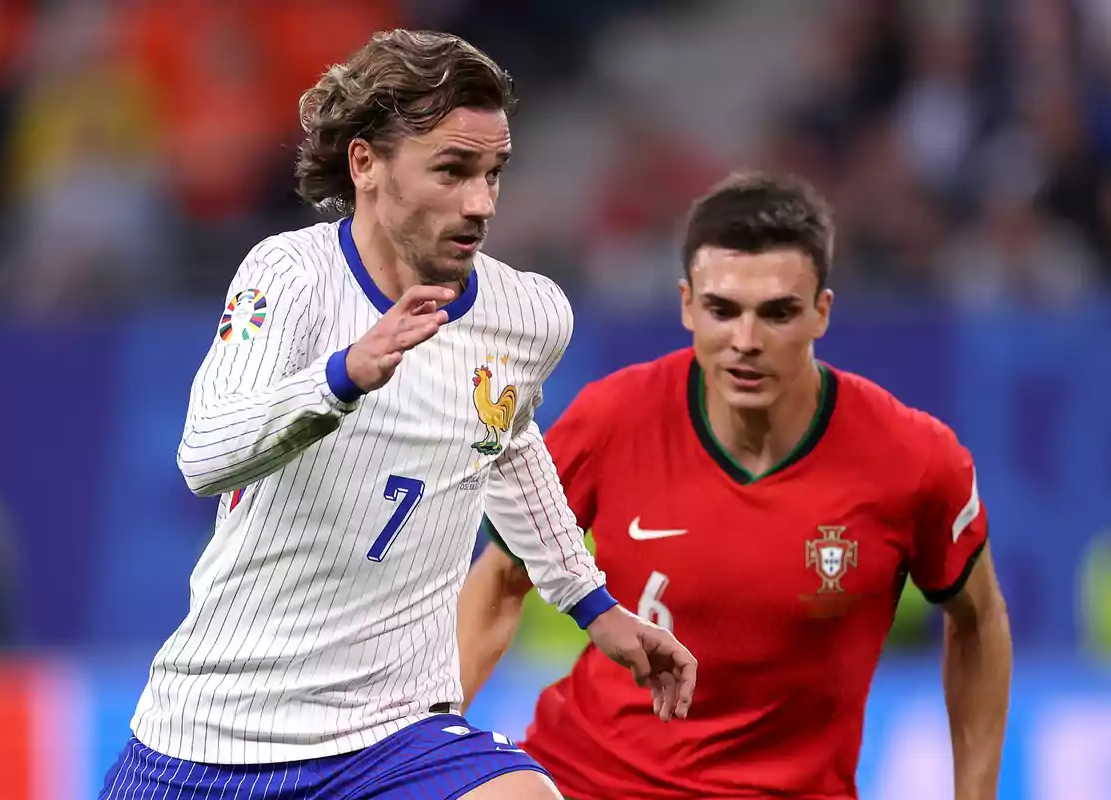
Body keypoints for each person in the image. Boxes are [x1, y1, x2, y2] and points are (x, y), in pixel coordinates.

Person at [97, 30, 697, 800]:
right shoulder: (291, 276)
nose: (480, 203)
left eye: (493, 173)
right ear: (365, 164)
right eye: (452, 170)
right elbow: (205, 453)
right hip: (214, 734)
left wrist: (595, 606)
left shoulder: (529, 314)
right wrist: (343, 376)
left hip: (393, 733)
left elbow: (505, 442)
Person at [460, 172, 1012, 799]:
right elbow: (500, 580)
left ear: (821, 313)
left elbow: (978, 622)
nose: (745, 342)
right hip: (584, 779)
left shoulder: (915, 459)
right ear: (688, 304)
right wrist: (424, 746)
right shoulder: (613, 418)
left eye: (777, 313)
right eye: (723, 310)